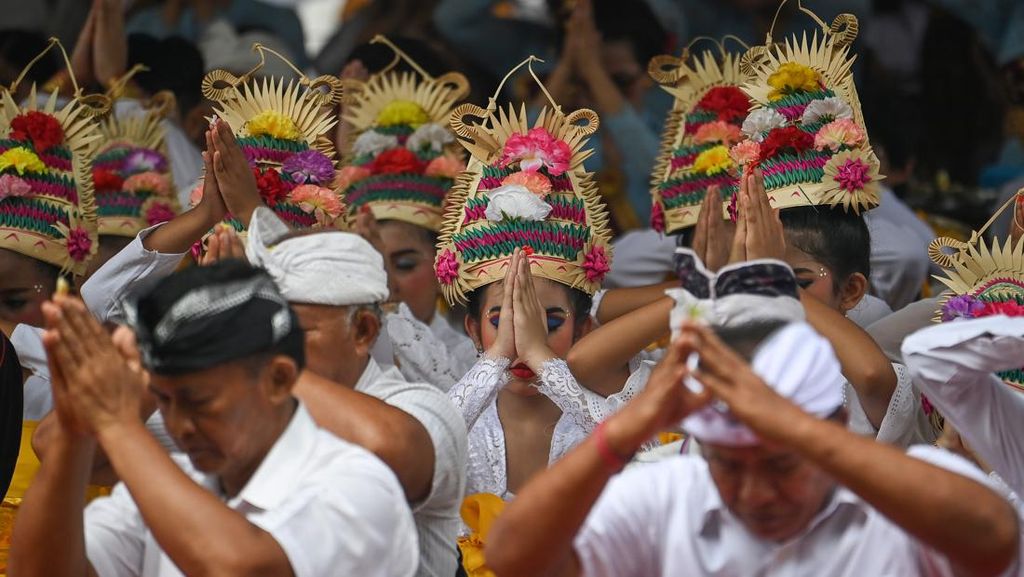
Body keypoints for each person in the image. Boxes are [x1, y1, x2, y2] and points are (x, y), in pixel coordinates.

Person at [485, 320, 1022, 577]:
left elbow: (995, 537)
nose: (756, 494)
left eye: (782, 464)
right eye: (728, 465)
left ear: (834, 429)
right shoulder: (667, 496)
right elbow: (513, 560)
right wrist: (625, 430)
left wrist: (801, 431)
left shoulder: (897, 501)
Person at [9, 261, 418, 577]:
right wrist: (77, 427)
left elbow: (239, 568)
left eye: (199, 402)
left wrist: (116, 423)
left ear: (278, 380)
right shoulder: (166, 485)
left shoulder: (357, 482)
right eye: (163, 401)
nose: (180, 426)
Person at [435, 66, 615, 505]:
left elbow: (646, 454)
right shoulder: (455, 417)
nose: (523, 341)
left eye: (549, 323)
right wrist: (496, 358)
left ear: (584, 329)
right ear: (472, 329)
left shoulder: (602, 419)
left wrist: (545, 363)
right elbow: (418, 451)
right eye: (502, 322)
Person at [338, 40, 477, 377]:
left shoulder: (474, 360)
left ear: (445, 265)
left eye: (403, 264)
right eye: (370, 265)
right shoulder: (333, 357)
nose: (387, 284)